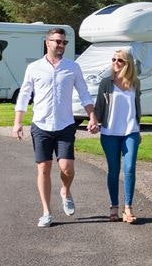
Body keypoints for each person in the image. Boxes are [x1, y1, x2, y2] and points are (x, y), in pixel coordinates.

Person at [13, 27, 99, 228]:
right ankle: (46, 212)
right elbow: (24, 95)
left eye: (64, 42)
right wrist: (18, 122)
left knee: (67, 168)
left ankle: (65, 191)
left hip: (65, 125)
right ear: (47, 42)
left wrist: (92, 116)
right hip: (41, 125)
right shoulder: (34, 68)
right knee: (44, 168)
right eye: (58, 41)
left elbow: (85, 94)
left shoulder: (72, 67)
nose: (61, 45)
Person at [95, 48, 143, 224]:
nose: (115, 63)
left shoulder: (135, 83)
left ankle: (128, 208)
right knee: (113, 170)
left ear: (127, 64)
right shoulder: (106, 83)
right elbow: (99, 106)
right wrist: (94, 122)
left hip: (131, 131)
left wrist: (139, 129)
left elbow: (137, 108)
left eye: (120, 60)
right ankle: (114, 206)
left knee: (129, 168)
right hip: (109, 133)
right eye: (113, 59)